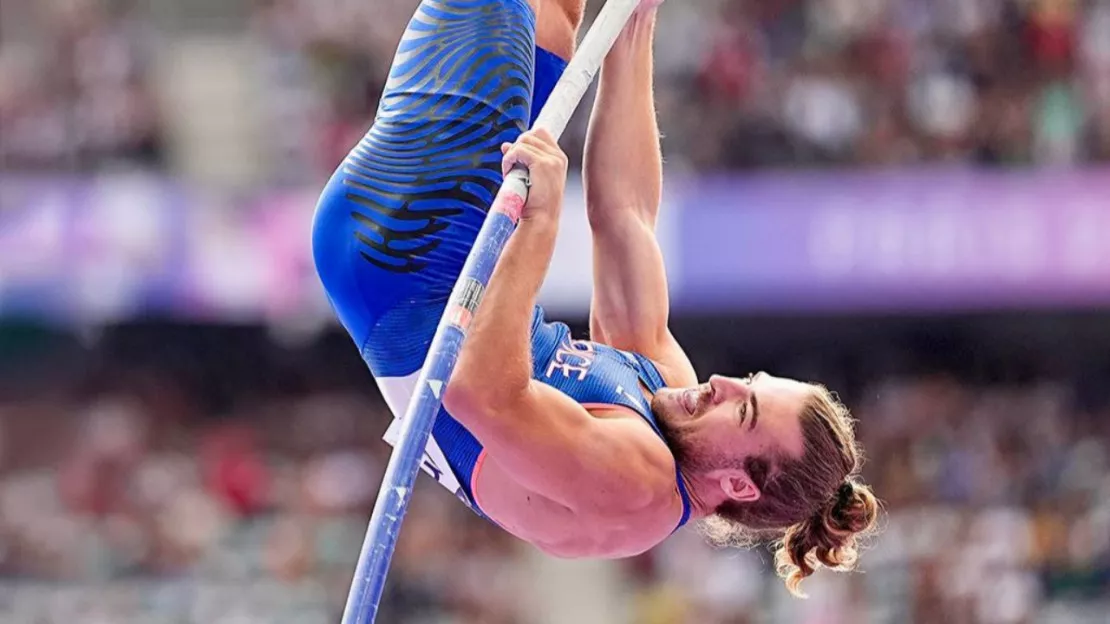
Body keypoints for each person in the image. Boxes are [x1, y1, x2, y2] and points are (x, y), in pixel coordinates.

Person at [312, 0, 879, 596]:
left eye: (745, 410)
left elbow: (477, 391)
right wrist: (635, 26)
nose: (726, 384)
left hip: (401, 256)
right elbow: (625, 213)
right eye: (752, 380)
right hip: (444, 250)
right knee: (559, 15)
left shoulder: (638, 487)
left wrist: (538, 223)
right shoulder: (664, 387)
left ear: (740, 485)